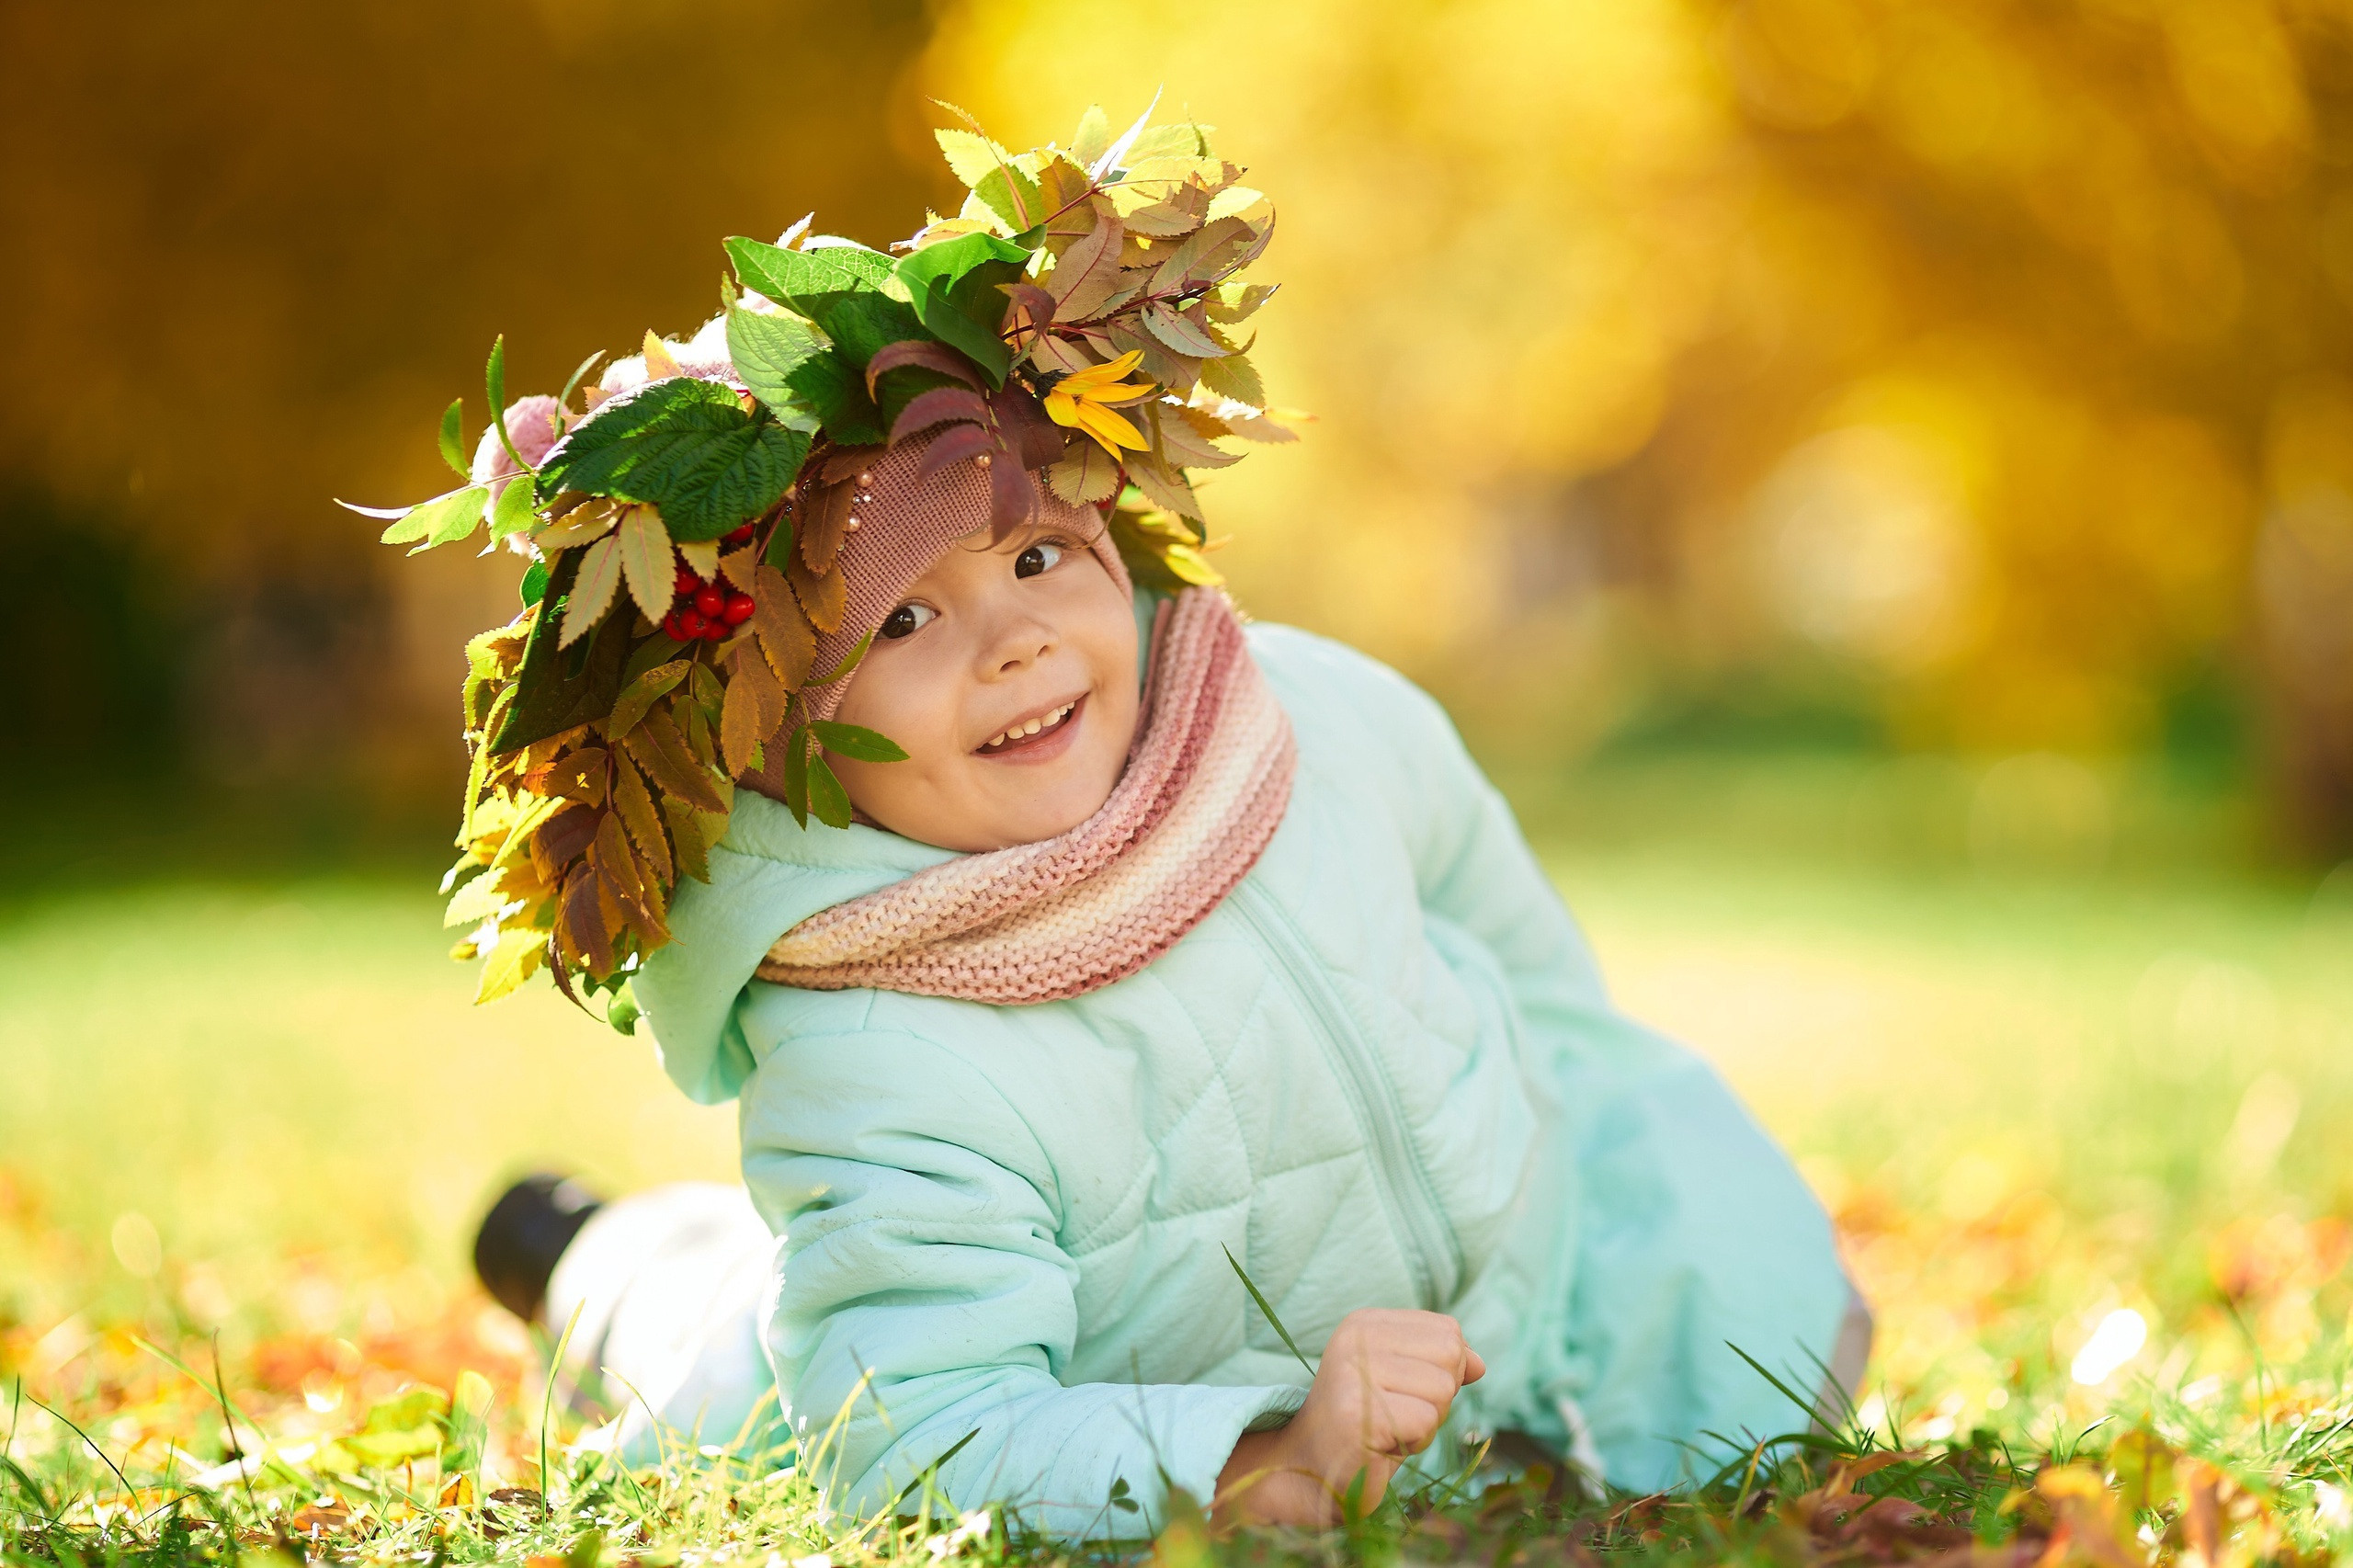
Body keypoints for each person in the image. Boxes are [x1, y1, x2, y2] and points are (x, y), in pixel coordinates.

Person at [472, 435, 1868, 1539]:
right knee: (721, 1347)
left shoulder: (1309, 718)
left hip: (1516, 1303)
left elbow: (1514, 946)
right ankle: (587, 1254)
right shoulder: (874, 1040)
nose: (1012, 639)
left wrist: (1652, 1202)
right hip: (984, 1359)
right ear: (778, 732)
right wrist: (1268, 1462)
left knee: (1768, 1300)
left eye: (1037, 551)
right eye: (899, 618)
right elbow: (920, 1428)